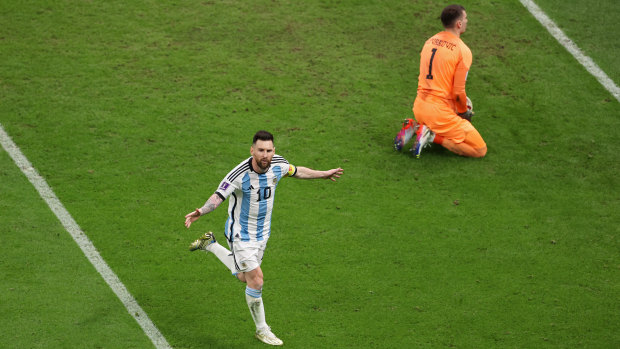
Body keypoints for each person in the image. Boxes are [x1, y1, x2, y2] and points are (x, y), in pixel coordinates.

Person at [184, 130, 344, 346]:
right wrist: (201, 211)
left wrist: (323, 173)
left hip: (262, 234)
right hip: (240, 234)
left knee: (244, 278)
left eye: (269, 150)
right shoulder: (238, 175)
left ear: (273, 151)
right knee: (257, 280)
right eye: (260, 150)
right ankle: (262, 330)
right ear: (252, 150)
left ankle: (210, 244)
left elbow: (297, 172)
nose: (265, 155)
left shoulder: (278, 164)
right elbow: (218, 196)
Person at [398, 4, 487, 158]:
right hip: (438, 113)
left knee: (447, 103)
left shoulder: (429, 41)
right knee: (479, 150)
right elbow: (458, 92)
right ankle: (431, 135)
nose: (467, 21)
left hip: (419, 106)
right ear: (459, 24)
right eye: (465, 19)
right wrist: (464, 113)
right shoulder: (462, 50)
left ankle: (417, 125)